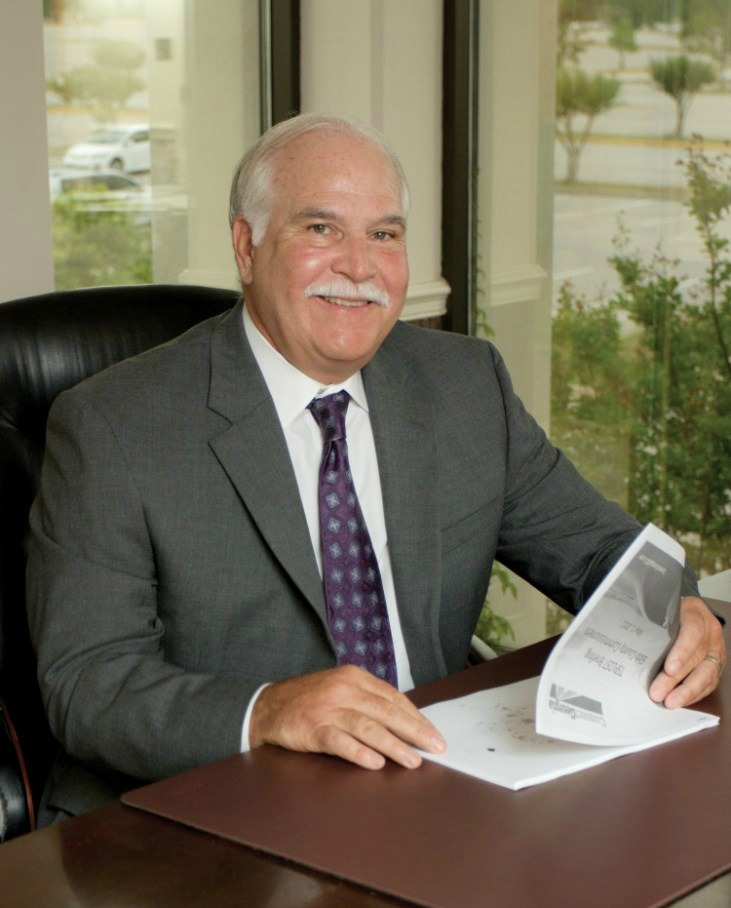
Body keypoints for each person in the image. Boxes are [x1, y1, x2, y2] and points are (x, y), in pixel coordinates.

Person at [26, 112, 725, 823]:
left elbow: (602, 550)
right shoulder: (114, 426)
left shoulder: (464, 384)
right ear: (246, 246)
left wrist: (675, 610)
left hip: (431, 783)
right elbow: (88, 685)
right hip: (203, 814)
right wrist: (266, 710)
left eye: (384, 235)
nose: (359, 267)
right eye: (321, 228)